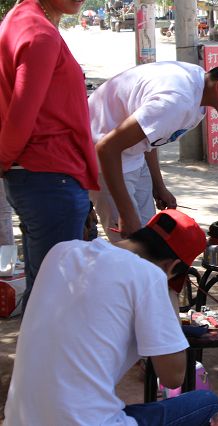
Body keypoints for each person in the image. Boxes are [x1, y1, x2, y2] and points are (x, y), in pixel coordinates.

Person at [4, 209, 218, 425]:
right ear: (171, 266)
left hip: (20, 420)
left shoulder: (60, 252)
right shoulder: (149, 276)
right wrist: (168, 296)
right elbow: (173, 377)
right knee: (208, 403)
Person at [89, 50, 218, 242]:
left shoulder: (198, 87)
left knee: (147, 241)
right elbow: (106, 148)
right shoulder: (176, 101)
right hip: (105, 160)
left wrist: (159, 186)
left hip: (132, 155)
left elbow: (149, 134)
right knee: (131, 246)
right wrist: (126, 214)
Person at [0, 0, 100, 310]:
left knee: (44, 290)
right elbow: (20, 116)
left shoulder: (22, 19)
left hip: (43, 176)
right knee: (55, 299)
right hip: (49, 177)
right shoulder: (39, 33)